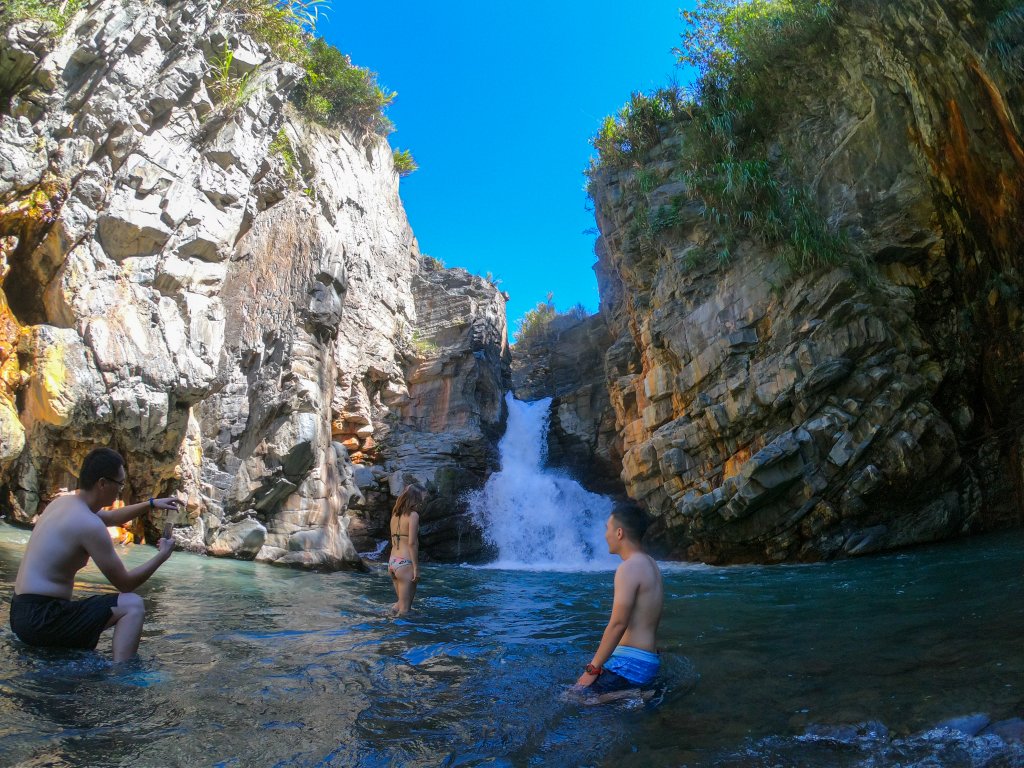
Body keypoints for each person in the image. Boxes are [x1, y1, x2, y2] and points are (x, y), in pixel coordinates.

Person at [10, 447, 181, 662]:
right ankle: (122, 675)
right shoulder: (89, 525)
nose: (121, 490)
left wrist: (151, 504)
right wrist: (162, 556)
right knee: (133, 605)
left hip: (21, 613)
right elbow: (125, 584)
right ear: (102, 483)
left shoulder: (63, 503)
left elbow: (110, 519)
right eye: (120, 483)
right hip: (43, 620)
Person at [575, 501, 663, 699]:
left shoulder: (629, 568)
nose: (605, 535)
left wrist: (592, 669)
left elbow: (618, 624)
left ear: (619, 533)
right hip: (647, 659)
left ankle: (636, 695)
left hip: (631, 664)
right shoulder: (650, 563)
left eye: (608, 529)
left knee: (576, 698)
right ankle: (637, 694)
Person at [388, 483, 427, 616]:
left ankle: (388, 619)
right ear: (415, 498)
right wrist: (416, 568)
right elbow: (412, 543)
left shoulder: (395, 515)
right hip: (405, 563)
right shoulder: (413, 515)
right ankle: (399, 636)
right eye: (422, 498)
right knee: (405, 611)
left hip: (392, 563)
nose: (423, 502)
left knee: (400, 604)